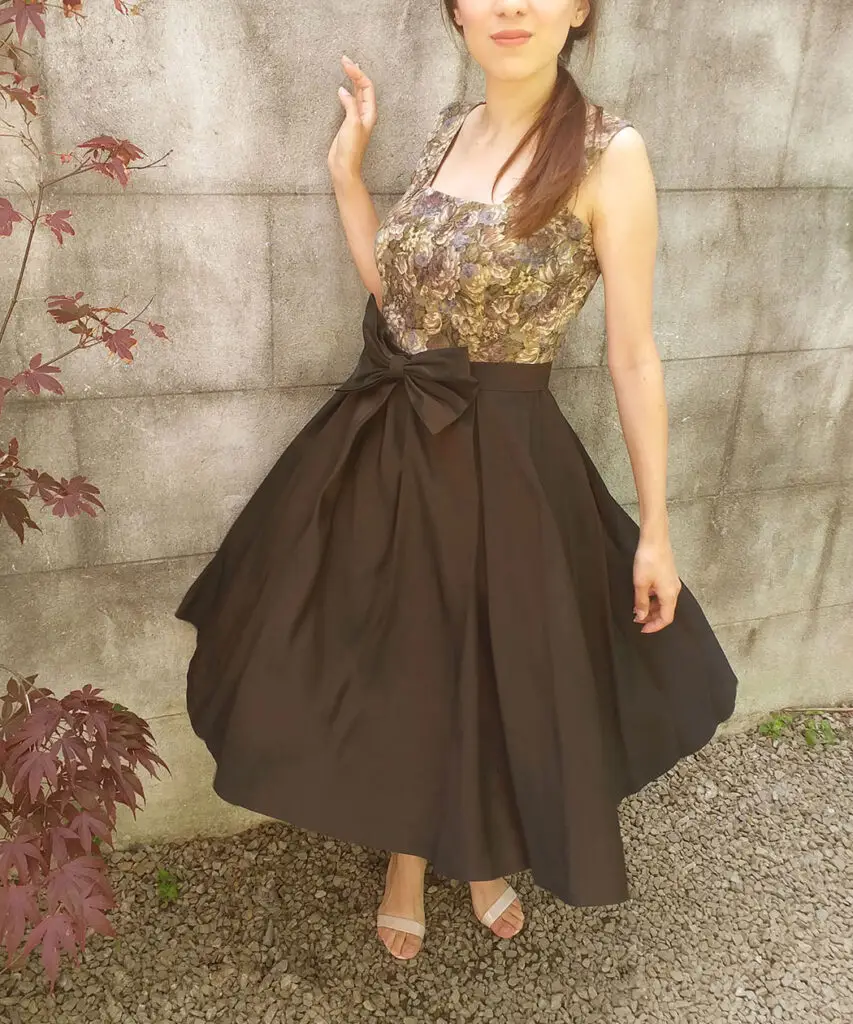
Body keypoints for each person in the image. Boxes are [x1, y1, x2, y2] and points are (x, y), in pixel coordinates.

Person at [174, 0, 738, 963]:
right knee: (404, 662)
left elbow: (633, 355)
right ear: (457, 14)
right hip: (388, 444)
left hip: (504, 466)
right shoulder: (448, 129)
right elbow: (398, 303)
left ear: (578, 10)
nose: (510, 6)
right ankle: (408, 859)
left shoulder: (610, 154)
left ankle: (479, 856)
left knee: (488, 667)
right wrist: (347, 176)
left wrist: (655, 527)